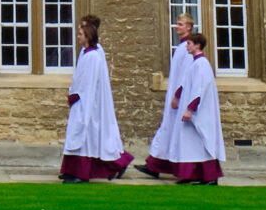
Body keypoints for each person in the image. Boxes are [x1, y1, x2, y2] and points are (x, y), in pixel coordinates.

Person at [142, 26, 224, 183]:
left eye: (190, 44)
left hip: (198, 114)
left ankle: (210, 176)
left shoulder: (202, 65)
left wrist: (190, 109)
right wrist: (177, 97)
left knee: (202, 142)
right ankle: (190, 174)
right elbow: (185, 83)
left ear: (197, 45)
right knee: (189, 144)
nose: (187, 46)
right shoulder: (194, 64)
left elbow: (199, 89)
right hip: (191, 113)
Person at [59, 16, 129, 181]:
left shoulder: (94, 55)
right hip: (84, 100)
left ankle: (84, 172)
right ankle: (72, 170)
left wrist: (75, 95)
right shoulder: (86, 53)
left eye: (81, 33)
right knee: (81, 134)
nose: (78, 36)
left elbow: (87, 82)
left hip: (88, 101)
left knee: (87, 135)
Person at [142, 14, 195, 174]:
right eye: (177, 24)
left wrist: (177, 96)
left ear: (188, 27)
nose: (177, 27)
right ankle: (155, 164)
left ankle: (158, 165)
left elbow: (185, 76)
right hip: (174, 96)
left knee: (172, 128)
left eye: (180, 24)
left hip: (178, 98)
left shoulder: (187, 49)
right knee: (167, 128)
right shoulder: (181, 48)